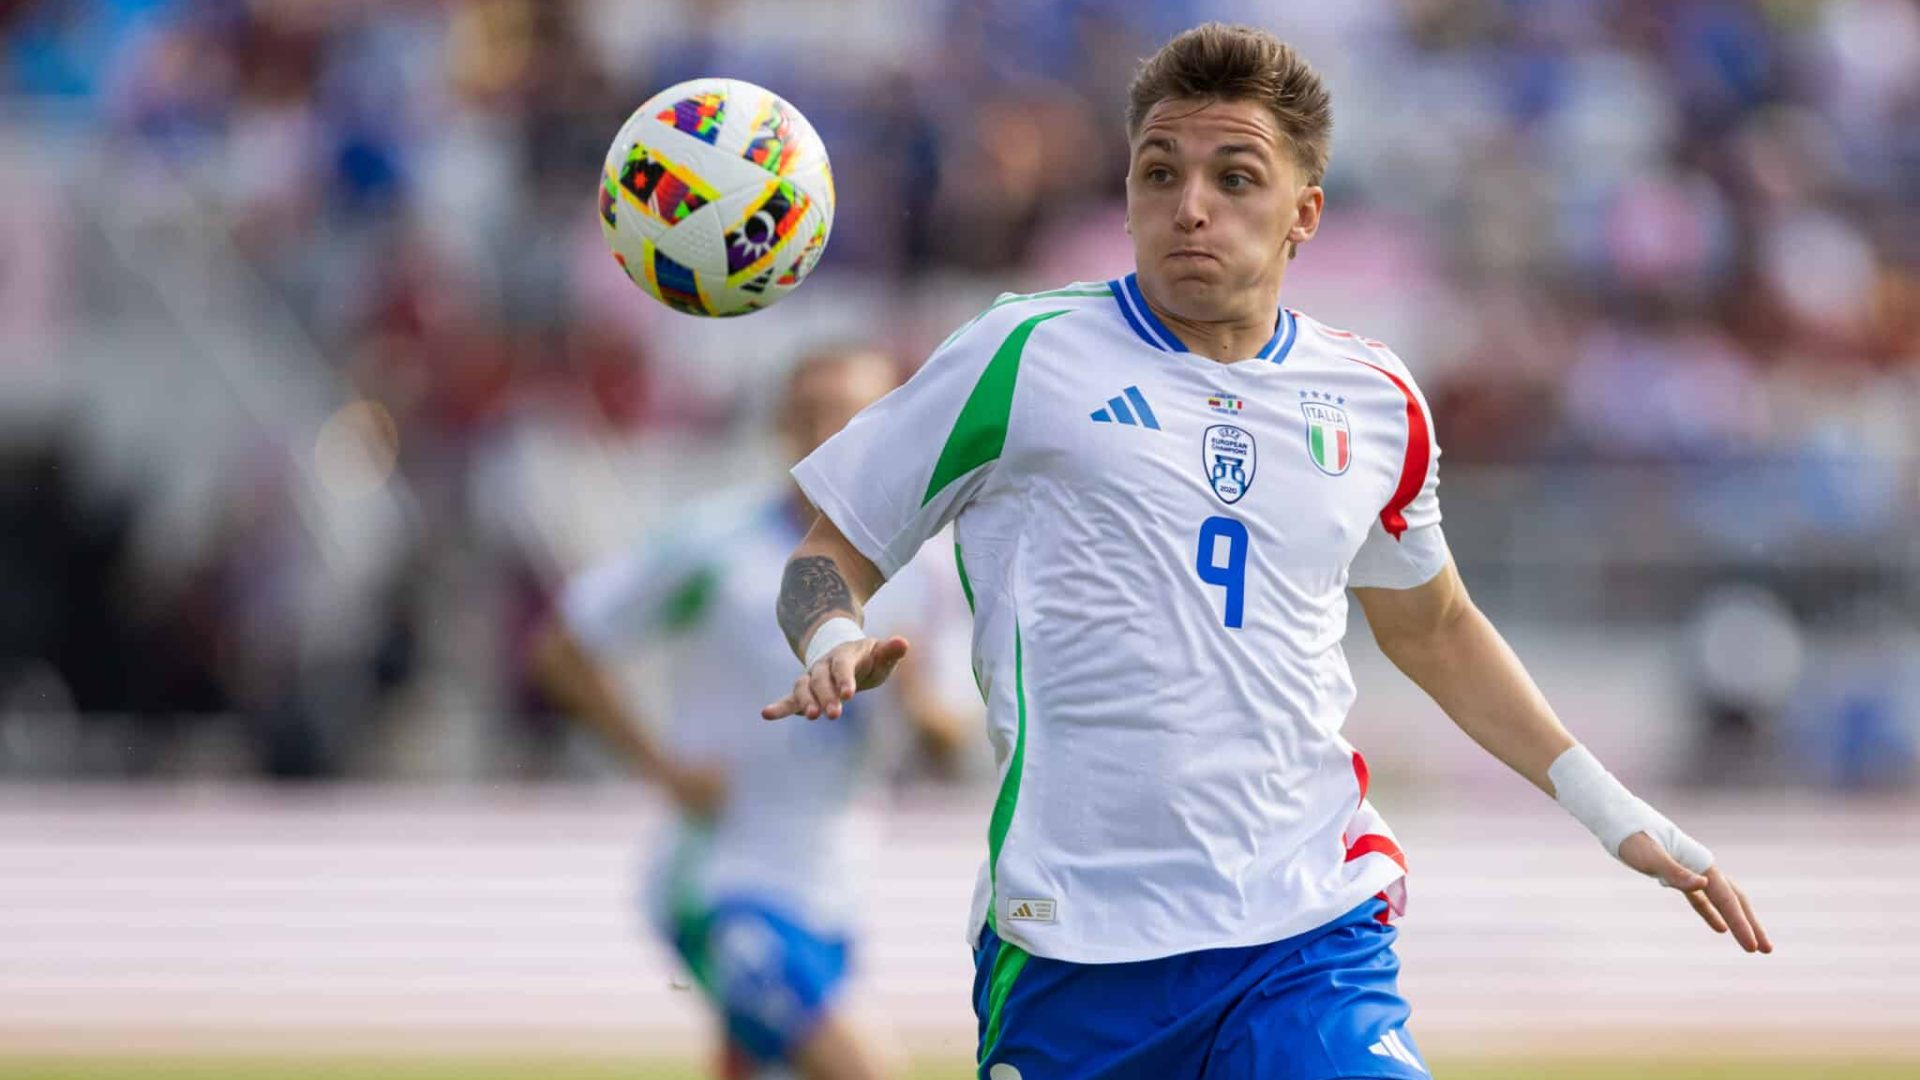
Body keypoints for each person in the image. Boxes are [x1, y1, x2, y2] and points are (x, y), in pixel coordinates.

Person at [760, 23, 1772, 1080]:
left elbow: (1435, 628)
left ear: (1304, 215)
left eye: (1234, 176)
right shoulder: (1019, 354)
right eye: (1160, 172)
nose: (1190, 204)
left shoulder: (1376, 401)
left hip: (1308, 930)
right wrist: (828, 632)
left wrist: (1616, 816)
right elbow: (827, 552)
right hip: (1072, 947)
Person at [537, 346, 969, 1080]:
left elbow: (949, 742)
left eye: (855, 412)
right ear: (781, 428)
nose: (832, 429)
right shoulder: (715, 544)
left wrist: (922, 703)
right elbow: (563, 649)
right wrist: (660, 766)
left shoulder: (930, 569)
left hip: (833, 878)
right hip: (721, 877)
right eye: (809, 413)